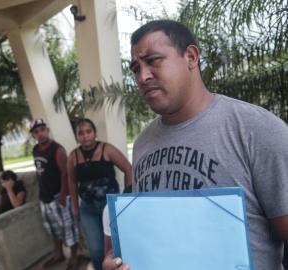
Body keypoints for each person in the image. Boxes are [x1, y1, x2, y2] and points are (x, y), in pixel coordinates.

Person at [102, 20, 288, 270]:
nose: (142, 76)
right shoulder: (143, 143)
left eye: (153, 60)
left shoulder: (256, 129)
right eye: (135, 68)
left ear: (191, 57)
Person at [67, 118, 132, 270]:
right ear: (77, 136)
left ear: (95, 132)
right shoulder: (73, 156)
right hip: (88, 210)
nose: (85, 136)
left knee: (114, 250)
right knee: (96, 252)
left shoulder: (107, 149)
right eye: (81, 133)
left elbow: (129, 169)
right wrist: (75, 208)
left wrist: (125, 197)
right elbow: (72, 182)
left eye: (88, 131)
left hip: (110, 209)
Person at [31, 118, 79, 270]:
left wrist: (64, 195)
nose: (40, 134)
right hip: (45, 198)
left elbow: (66, 173)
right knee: (52, 228)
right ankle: (58, 254)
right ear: (34, 134)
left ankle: (74, 257)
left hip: (59, 196)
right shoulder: (35, 150)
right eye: (36, 132)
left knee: (68, 227)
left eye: (42, 130)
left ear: (47, 130)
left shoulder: (57, 149)